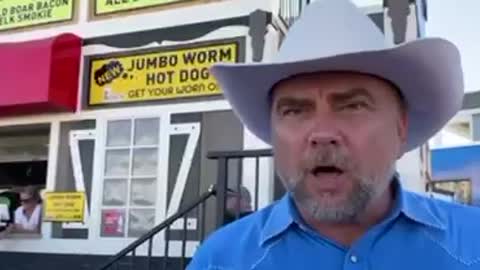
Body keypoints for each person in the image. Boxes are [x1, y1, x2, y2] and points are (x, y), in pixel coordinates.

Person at [187, 0, 477, 269]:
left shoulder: (471, 244)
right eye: (295, 111)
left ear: (400, 128)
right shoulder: (220, 260)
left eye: (353, 106)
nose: (322, 134)